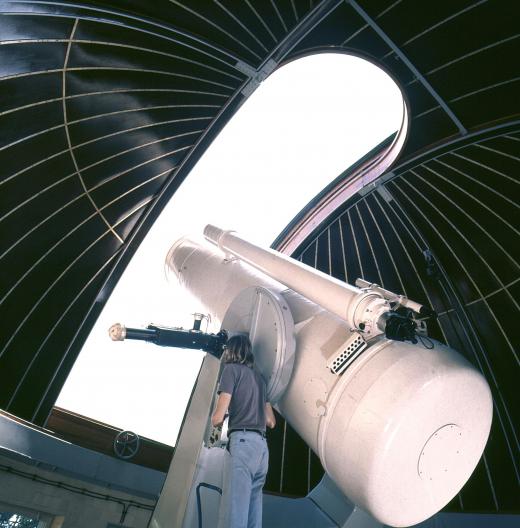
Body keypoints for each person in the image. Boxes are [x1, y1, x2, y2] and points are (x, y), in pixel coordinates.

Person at [211, 334, 276, 528]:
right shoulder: (260, 379)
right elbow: (271, 421)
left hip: (243, 443)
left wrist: (215, 416)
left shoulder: (231, 371)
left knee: (236, 509)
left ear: (230, 351)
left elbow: (218, 418)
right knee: (253, 511)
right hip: (262, 449)